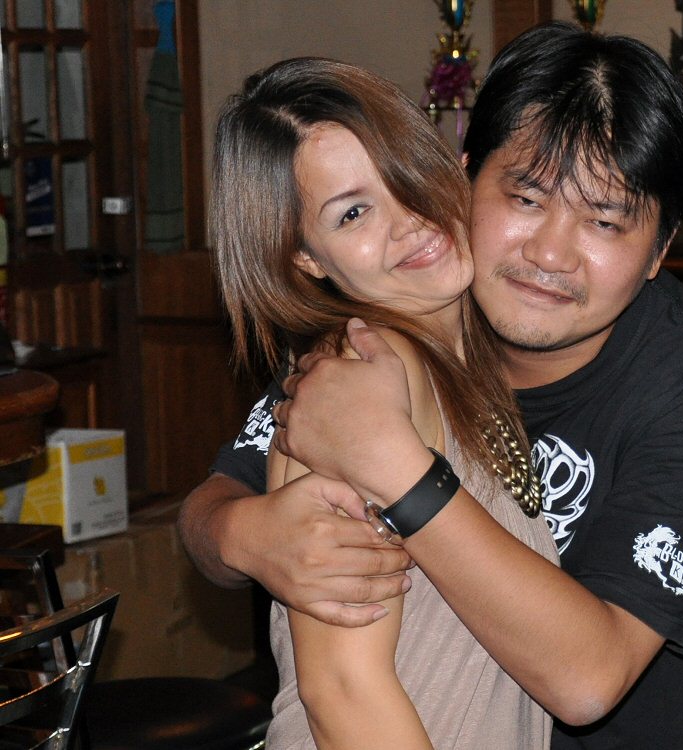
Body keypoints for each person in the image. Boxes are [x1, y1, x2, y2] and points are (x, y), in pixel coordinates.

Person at [181, 23, 683, 749]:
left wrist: (400, 472)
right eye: (526, 199)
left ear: (661, 249)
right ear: (467, 175)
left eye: (603, 220)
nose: (550, 254)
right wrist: (245, 535)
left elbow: (588, 679)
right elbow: (224, 507)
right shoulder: (380, 346)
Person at [210, 56, 557, 749]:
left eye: (407, 172)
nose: (409, 221)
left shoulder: (458, 362)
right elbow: (343, 690)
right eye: (353, 212)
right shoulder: (361, 380)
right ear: (306, 258)